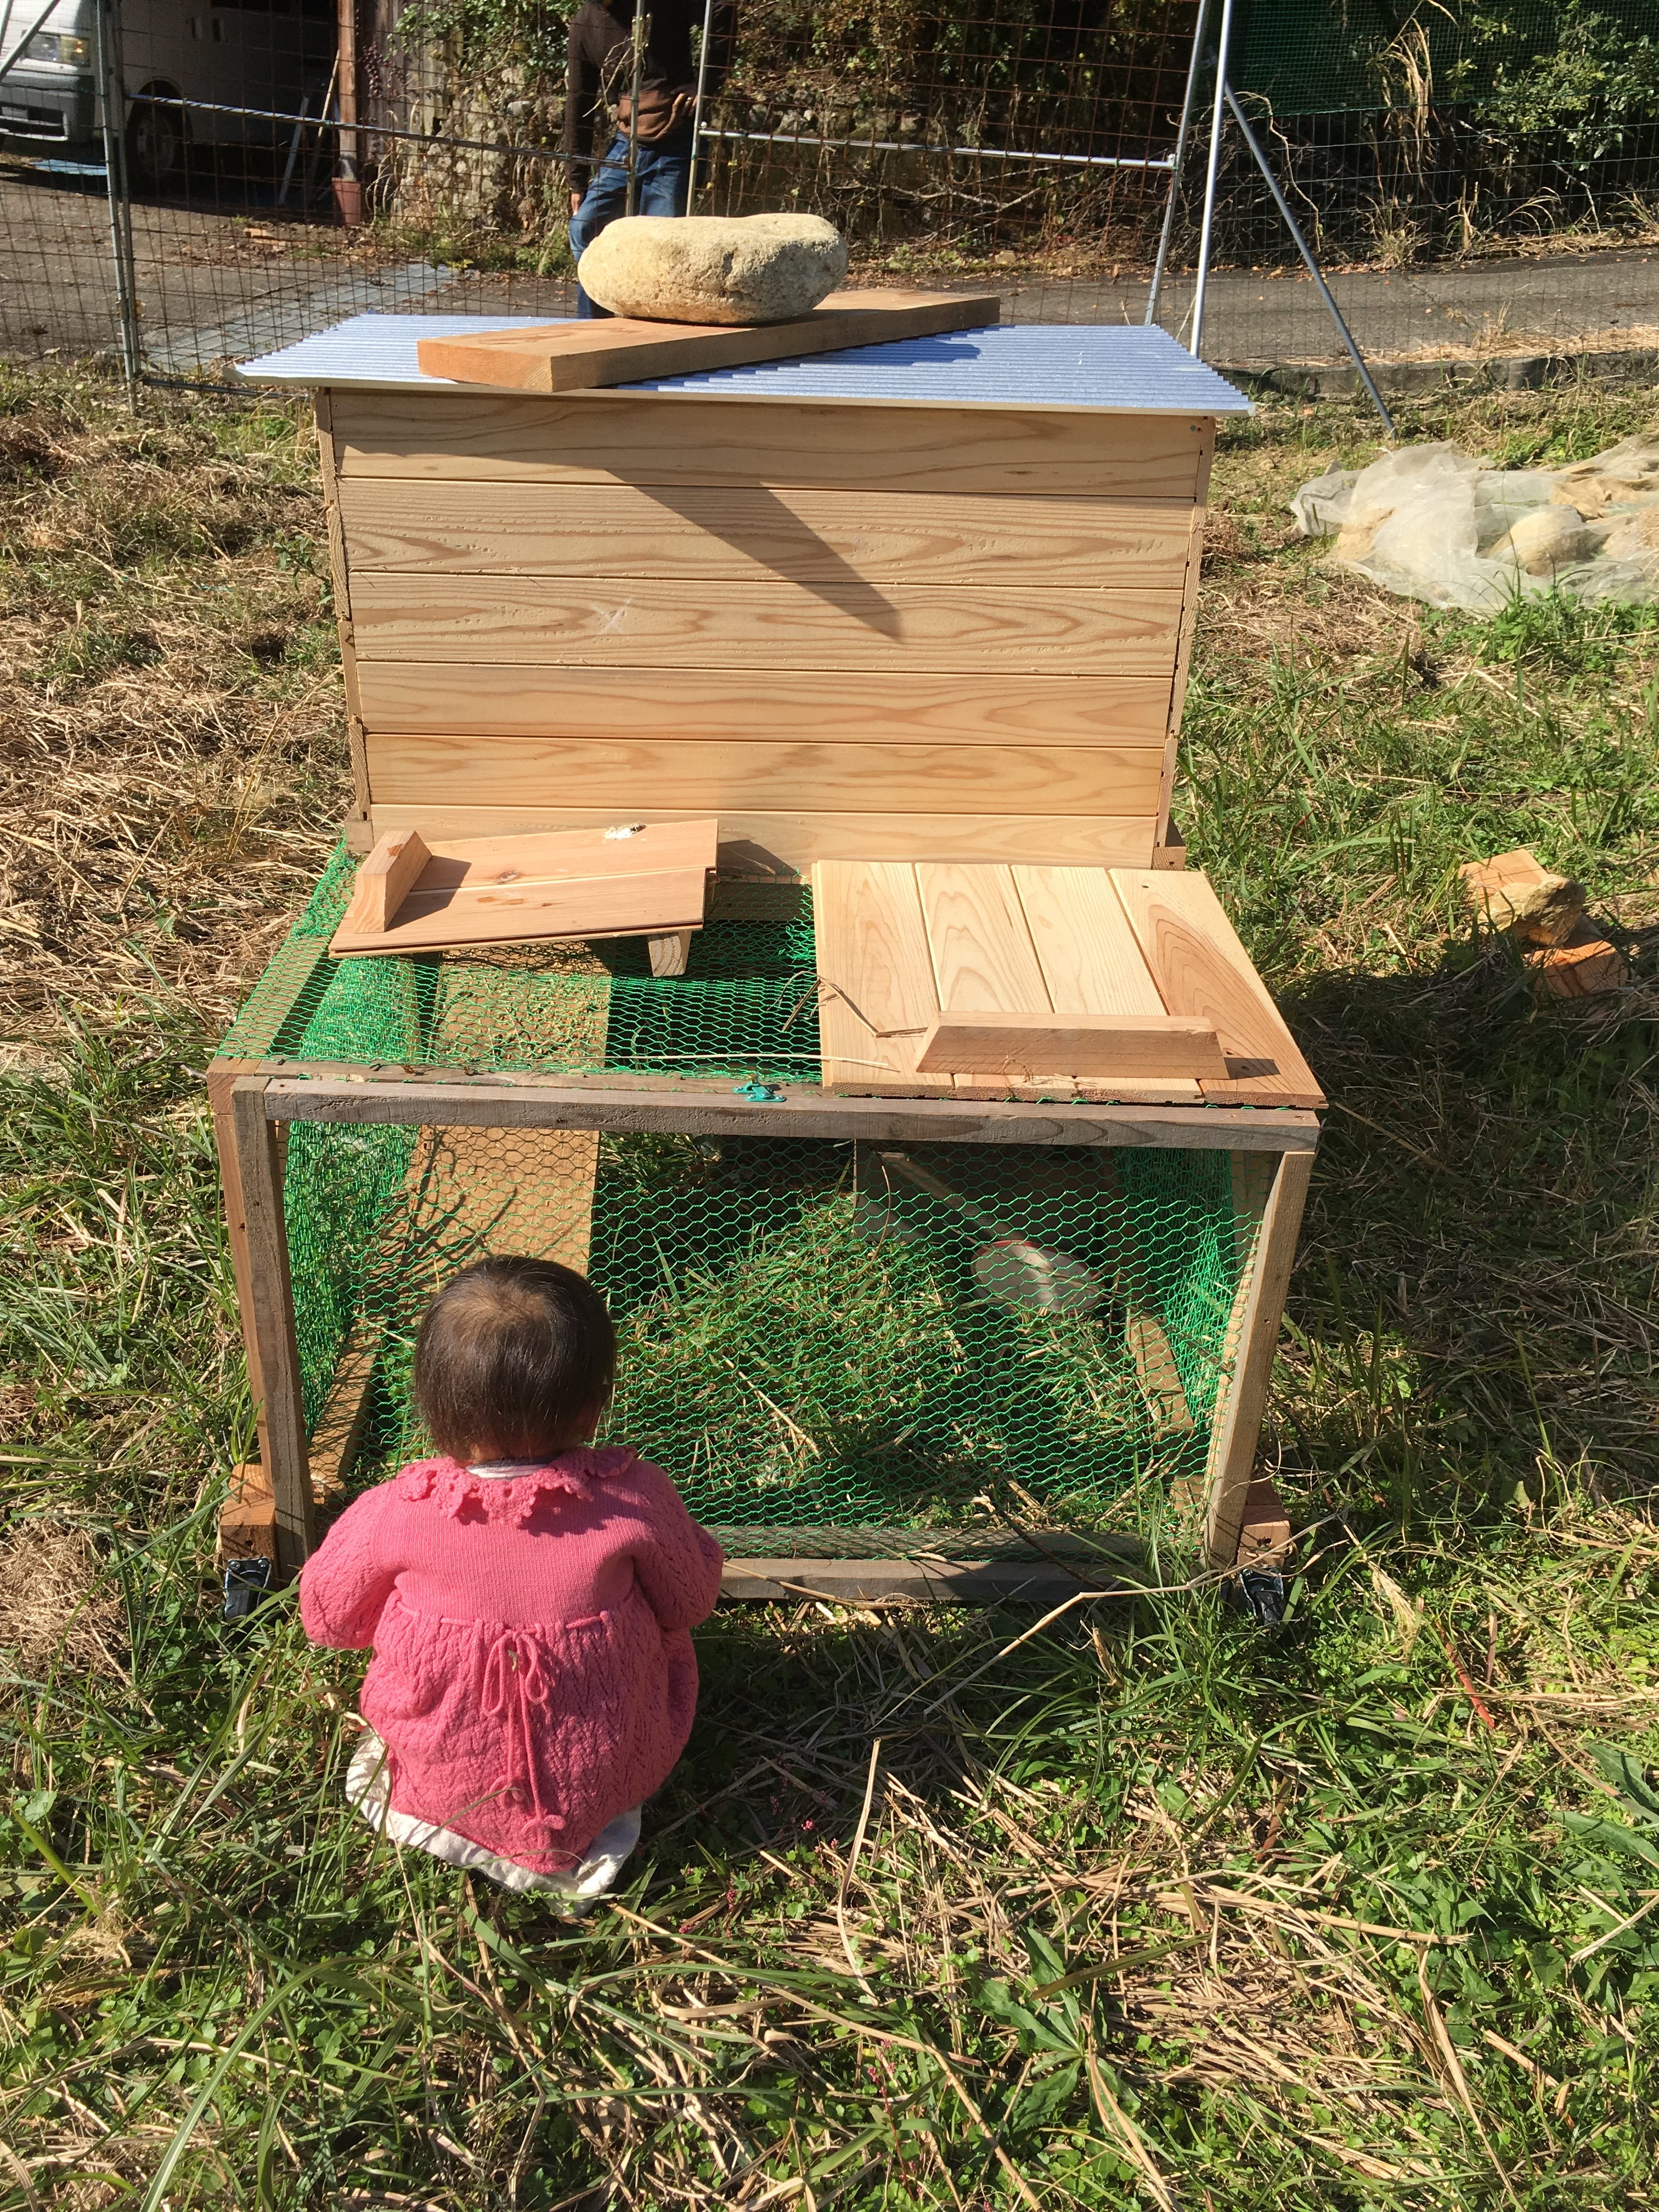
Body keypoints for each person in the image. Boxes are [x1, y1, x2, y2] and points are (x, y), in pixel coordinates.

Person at [299, 1257, 724, 1903]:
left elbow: (327, 1619)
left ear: (435, 1406)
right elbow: (691, 1601)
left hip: (440, 1787)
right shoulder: (634, 1498)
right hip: (603, 1777)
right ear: (591, 1408)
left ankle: (458, 1813)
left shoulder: (395, 1509)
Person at [564, 0, 737, 315]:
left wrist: (704, 85)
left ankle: (650, 336)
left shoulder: (660, 5)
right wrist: (577, 178)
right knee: (583, 226)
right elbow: (578, 102)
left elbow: (722, 9)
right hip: (625, 143)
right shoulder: (585, 22)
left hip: (675, 142)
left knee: (662, 248)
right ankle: (596, 325)